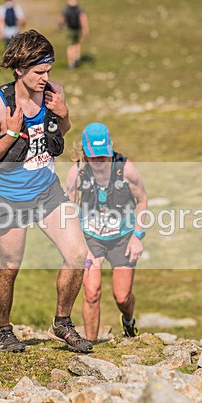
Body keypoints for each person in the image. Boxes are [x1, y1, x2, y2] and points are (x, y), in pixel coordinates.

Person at [0, 29, 92, 353]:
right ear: (19, 69)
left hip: (47, 192)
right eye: (39, 72)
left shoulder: (54, 92)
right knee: (9, 267)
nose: (46, 78)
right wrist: (12, 132)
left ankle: (63, 324)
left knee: (77, 254)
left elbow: (62, 131)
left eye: (49, 71)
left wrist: (64, 114)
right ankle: (3, 330)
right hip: (9, 198)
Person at [65, 123, 148, 342]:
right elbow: (70, 211)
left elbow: (142, 201)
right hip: (91, 237)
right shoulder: (76, 173)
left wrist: (137, 237)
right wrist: (79, 245)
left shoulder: (126, 169)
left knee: (122, 297)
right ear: (85, 153)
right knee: (91, 292)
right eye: (95, 157)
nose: (100, 162)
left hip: (123, 237)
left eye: (104, 156)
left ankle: (129, 322)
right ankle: (91, 345)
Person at [57, 0, 89, 69]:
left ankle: (71, 62)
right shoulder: (79, 8)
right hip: (77, 28)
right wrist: (85, 29)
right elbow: (83, 18)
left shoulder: (66, 8)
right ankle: (76, 57)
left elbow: (62, 18)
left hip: (69, 29)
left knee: (70, 45)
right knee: (76, 43)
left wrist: (60, 26)